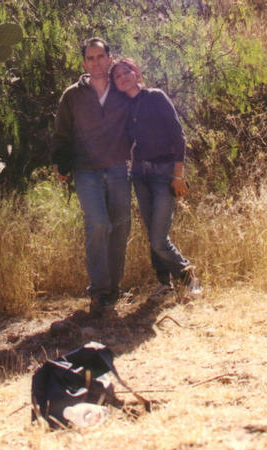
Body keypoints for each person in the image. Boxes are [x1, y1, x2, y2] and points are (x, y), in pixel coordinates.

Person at [51, 38, 132, 314]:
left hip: (119, 168)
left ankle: (113, 289)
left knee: (120, 227)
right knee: (98, 224)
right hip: (86, 171)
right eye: (91, 58)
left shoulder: (122, 90)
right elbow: (61, 133)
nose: (96, 62)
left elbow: (139, 119)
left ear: (110, 59)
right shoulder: (72, 95)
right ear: (84, 63)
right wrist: (61, 164)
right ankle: (99, 291)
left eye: (101, 57)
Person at [110, 58, 202, 299]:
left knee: (158, 237)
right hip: (139, 174)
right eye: (117, 75)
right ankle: (164, 283)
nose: (123, 77)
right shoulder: (123, 107)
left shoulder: (156, 97)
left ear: (137, 72)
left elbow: (178, 136)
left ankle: (188, 276)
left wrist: (178, 176)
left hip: (164, 174)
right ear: (115, 84)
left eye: (126, 71)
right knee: (152, 232)